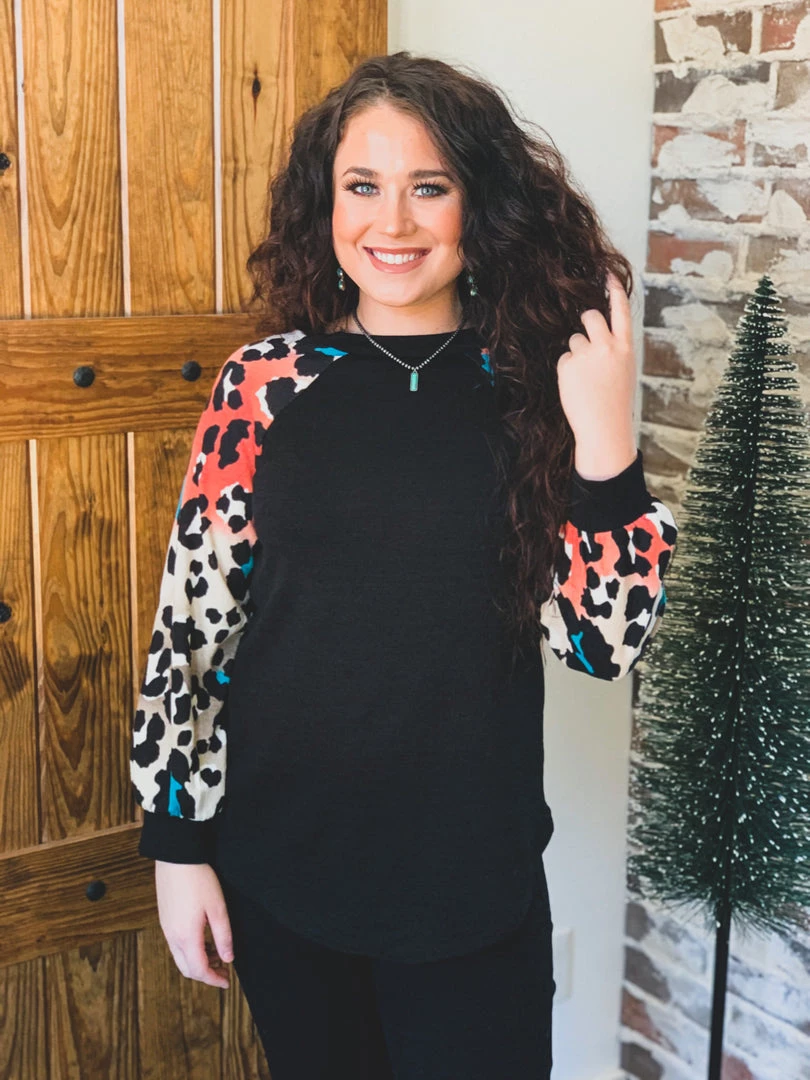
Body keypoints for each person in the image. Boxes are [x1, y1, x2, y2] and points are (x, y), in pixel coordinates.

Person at [130, 50, 678, 1080]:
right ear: (326, 205)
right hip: (282, 877)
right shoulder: (265, 385)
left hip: (475, 891)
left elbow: (600, 645)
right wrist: (177, 849)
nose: (393, 221)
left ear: (481, 205)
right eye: (363, 185)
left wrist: (607, 441)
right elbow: (192, 633)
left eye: (430, 186)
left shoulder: (538, 387)